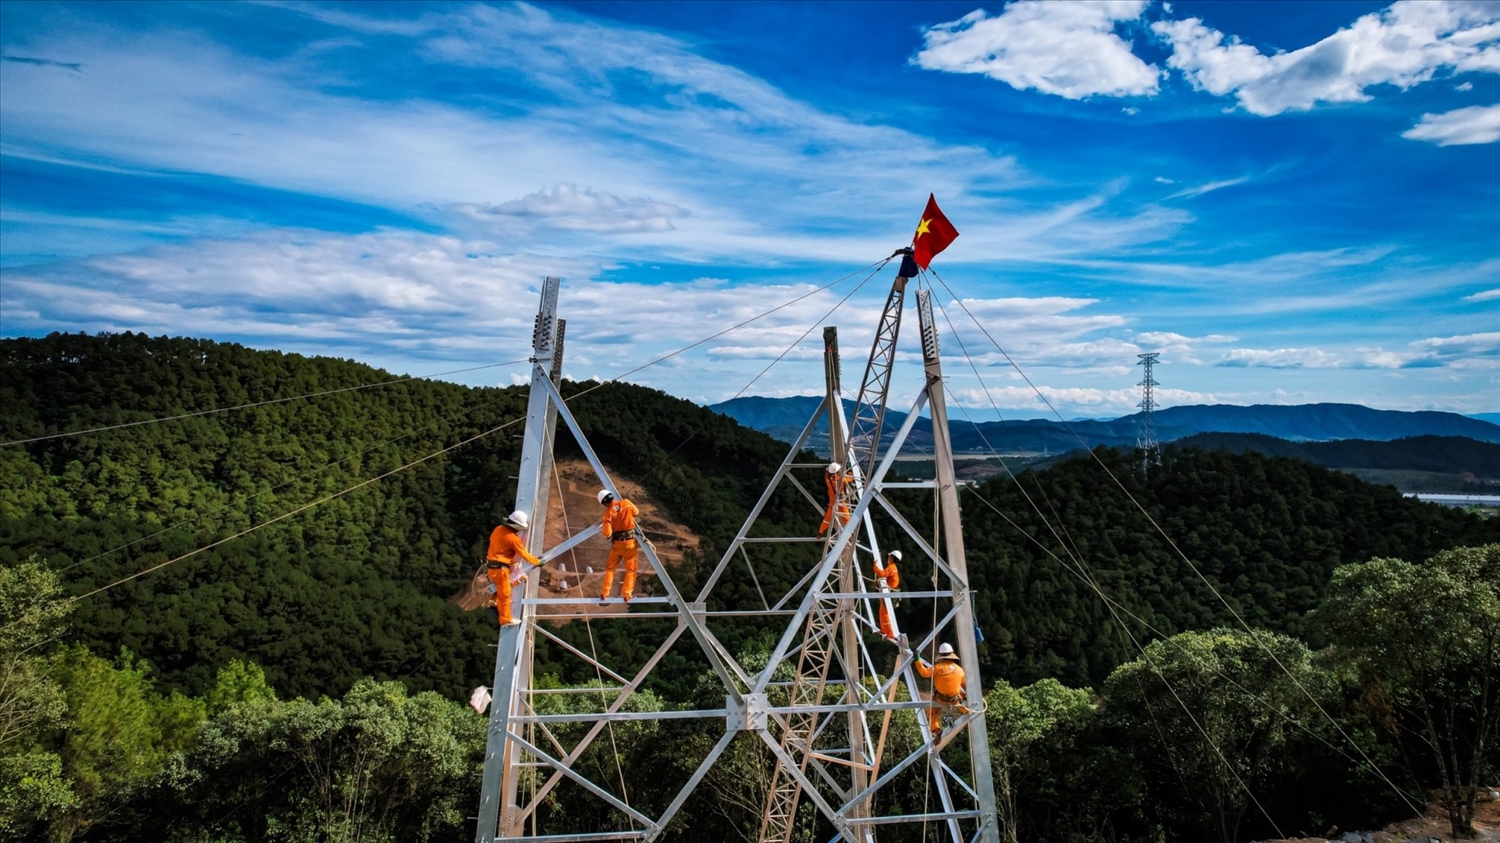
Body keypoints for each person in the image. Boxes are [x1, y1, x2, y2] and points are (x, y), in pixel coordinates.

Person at [487, 510, 543, 626]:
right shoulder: (513, 538)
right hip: (501, 569)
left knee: (500, 592)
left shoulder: (498, 529)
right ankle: (505, 620)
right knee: (505, 595)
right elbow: (524, 554)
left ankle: (495, 607)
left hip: (491, 568)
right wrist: (538, 562)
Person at [911, 642, 969, 738]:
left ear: (941, 655)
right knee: (961, 701)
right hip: (954, 699)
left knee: (933, 711)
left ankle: (935, 729)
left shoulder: (938, 668)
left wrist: (917, 660)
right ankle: (967, 712)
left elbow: (924, 673)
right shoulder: (959, 670)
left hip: (940, 699)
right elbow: (964, 685)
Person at [597, 489, 641, 604]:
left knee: (610, 569)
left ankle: (605, 593)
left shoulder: (607, 515)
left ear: (604, 503)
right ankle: (627, 595)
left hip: (617, 545)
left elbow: (607, 534)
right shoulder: (625, 503)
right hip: (630, 544)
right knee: (631, 570)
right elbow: (636, 512)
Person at [874, 550, 901, 641]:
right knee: (883, 613)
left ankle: (891, 633)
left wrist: (875, 566)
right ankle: (885, 631)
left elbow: (882, 573)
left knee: (885, 614)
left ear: (892, 558)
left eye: (889, 556)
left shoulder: (892, 567)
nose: (888, 558)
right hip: (888, 593)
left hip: (890, 594)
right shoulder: (892, 567)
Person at [819, 462, 853, 534]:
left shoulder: (827, 477)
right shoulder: (840, 479)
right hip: (841, 501)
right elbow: (850, 479)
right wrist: (850, 472)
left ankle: (821, 531)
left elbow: (828, 473)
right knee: (846, 517)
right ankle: (850, 533)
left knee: (827, 518)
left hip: (832, 500)